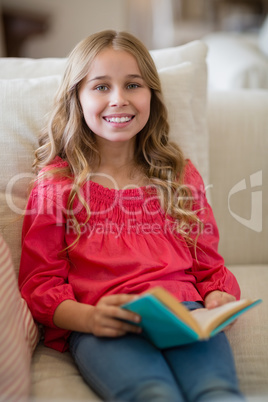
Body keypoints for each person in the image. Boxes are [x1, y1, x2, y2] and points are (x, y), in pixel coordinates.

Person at [19, 30, 245, 402]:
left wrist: (220, 297)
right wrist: (89, 319)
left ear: (151, 96)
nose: (119, 99)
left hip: (183, 312)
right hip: (104, 323)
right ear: (76, 97)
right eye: (101, 87)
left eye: (133, 84)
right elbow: (40, 283)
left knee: (217, 392)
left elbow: (209, 267)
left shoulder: (179, 176)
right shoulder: (58, 183)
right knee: (152, 393)